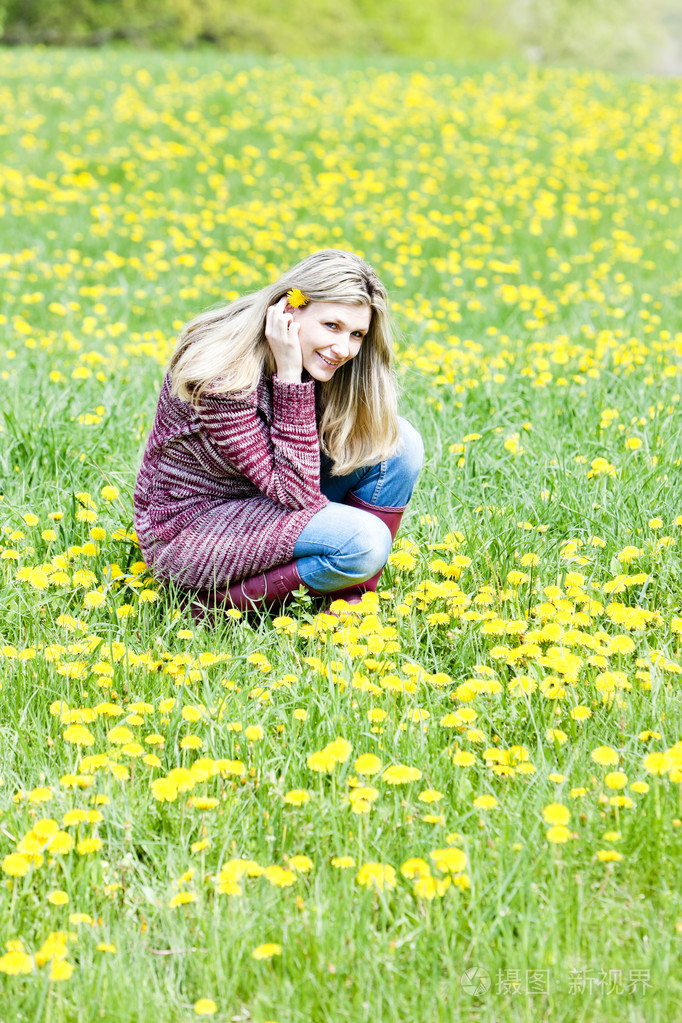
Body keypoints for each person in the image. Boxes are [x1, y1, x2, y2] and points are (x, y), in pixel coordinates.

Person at [133, 249, 423, 617]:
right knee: (365, 542)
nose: (343, 348)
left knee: (400, 443)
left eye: (357, 334)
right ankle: (212, 607)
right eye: (332, 326)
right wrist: (289, 376)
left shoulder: (321, 357)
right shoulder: (223, 374)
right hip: (194, 529)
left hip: (266, 497)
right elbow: (297, 493)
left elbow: (290, 485)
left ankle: (350, 594)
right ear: (288, 309)